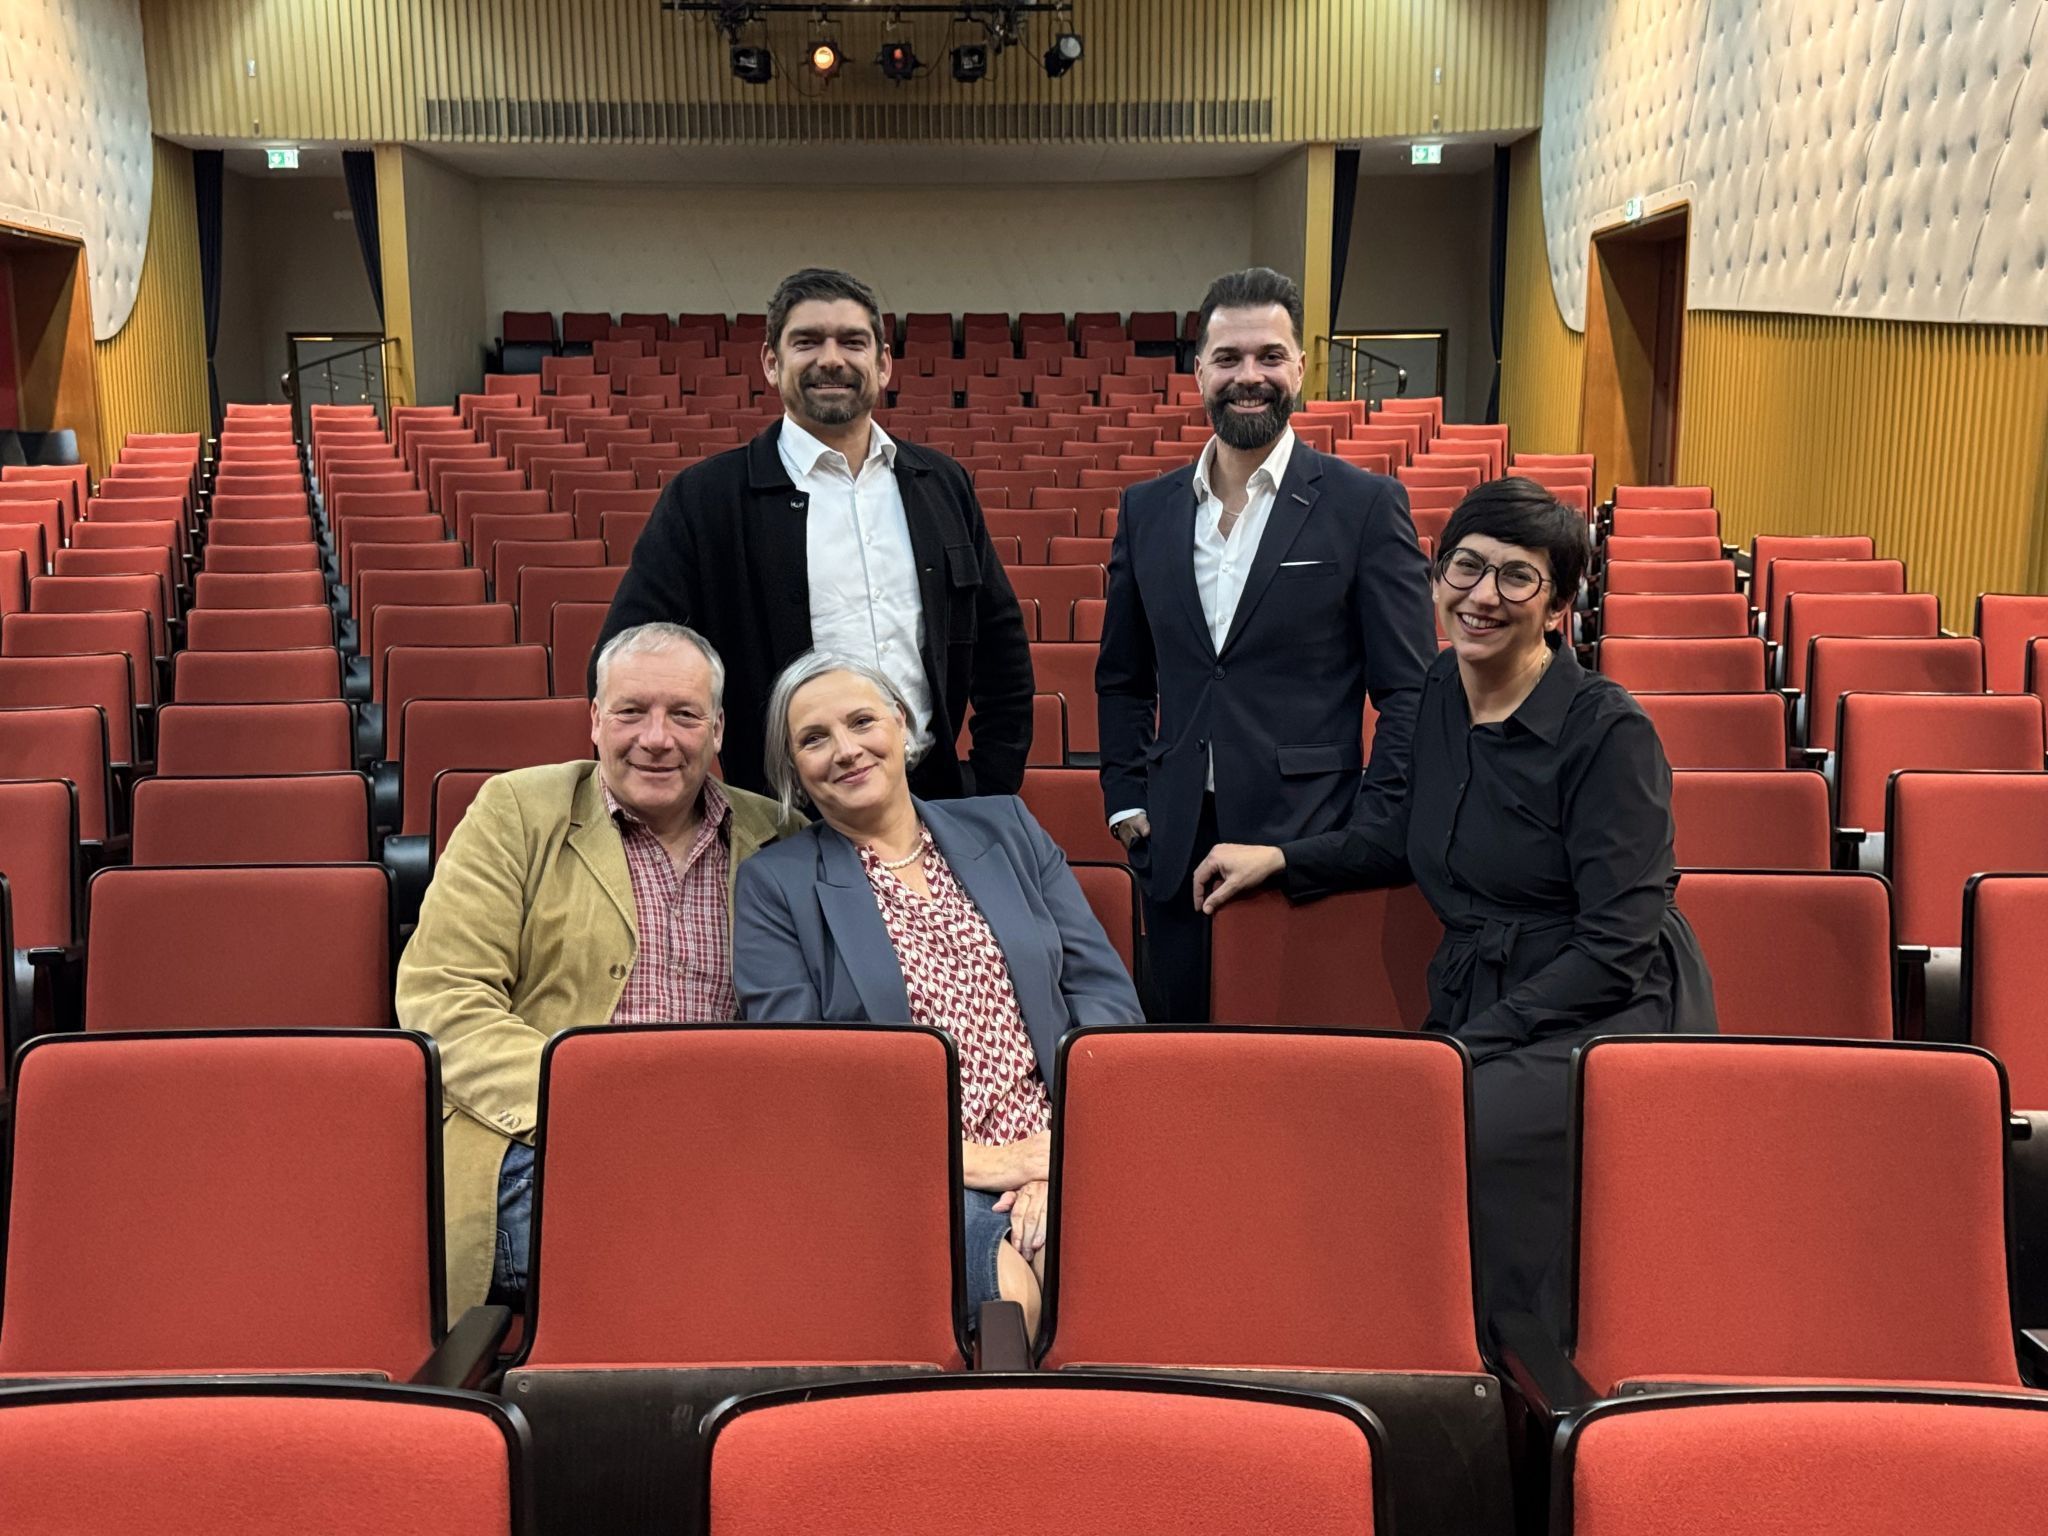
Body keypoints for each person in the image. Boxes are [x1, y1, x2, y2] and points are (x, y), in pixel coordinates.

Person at [1192, 478, 1716, 1338]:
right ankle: (1393, 1337)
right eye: (1466, 567)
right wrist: (1283, 857)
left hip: (1607, 1011)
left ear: (1558, 605)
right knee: (1377, 1120)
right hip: (1492, 994)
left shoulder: (1608, 733)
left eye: (1517, 576)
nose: (1482, 595)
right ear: (1436, 579)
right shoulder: (1441, 687)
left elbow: (1616, 947)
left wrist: (1469, 1043)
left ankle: (1516, 1364)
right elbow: (1402, 835)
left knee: (1458, 1122)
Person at [397, 622, 807, 1314]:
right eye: (631, 711)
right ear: (594, 720)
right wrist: (605, 1108)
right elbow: (444, 996)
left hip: (732, 1151)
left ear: (717, 730)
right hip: (546, 1146)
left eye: (684, 715)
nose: (657, 737)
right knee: (697, 1253)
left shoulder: (779, 837)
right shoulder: (517, 811)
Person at [734, 651, 1145, 1338]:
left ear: (902, 722)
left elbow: (1103, 996)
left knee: (1104, 1279)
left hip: (1061, 1140)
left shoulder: (1007, 828)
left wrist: (1059, 1154)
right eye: (814, 739)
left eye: (862, 721)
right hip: (909, 1167)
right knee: (1010, 1301)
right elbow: (802, 1079)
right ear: (793, 769)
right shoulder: (775, 885)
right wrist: (984, 1163)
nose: (846, 750)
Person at [1095, 266, 1435, 1022]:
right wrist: (1125, 799)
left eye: (1269, 356)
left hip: (1309, 837)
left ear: (1300, 368)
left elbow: (1410, 690)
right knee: (1183, 1046)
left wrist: (1367, 828)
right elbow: (1123, 677)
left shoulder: (1364, 505)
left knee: (1291, 1058)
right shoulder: (1147, 510)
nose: (1249, 376)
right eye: (1228, 358)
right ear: (1199, 373)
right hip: (1174, 839)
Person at [593, 267, 1034, 801]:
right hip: (782, 813)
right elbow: (625, 662)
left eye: (852, 342)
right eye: (807, 342)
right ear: (771, 362)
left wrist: (988, 785)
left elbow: (1001, 646)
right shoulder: (704, 498)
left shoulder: (942, 483)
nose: (831, 359)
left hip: (932, 799)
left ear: (883, 363)